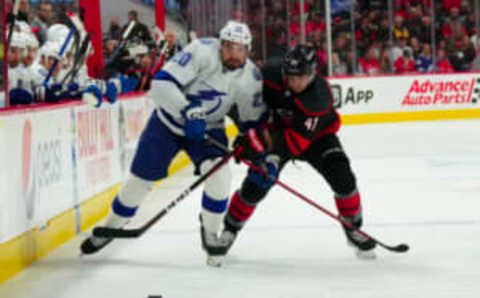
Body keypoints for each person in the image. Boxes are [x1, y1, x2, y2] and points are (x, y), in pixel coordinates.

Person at [80, 20, 266, 267]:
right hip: (167, 123)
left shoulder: (250, 77)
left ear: (248, 50)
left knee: (220, 176)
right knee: (138, 184)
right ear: (221, 44)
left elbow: (251, 120)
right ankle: (111, 227)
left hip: (209, 129)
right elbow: (160, 84)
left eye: (240, 49)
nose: (234, 53)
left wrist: (250, 142)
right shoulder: (201, 51)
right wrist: (187, 110)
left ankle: (211, 233)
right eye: (229, 46)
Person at [215, 45, 377, 265]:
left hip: (316, 138)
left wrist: (266, 155)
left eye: (302, 77)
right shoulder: (268, 75)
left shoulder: (318, 97)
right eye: (291, 77)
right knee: (257, 182)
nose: (296, 82)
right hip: (277, 131)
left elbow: (293, 142)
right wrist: (249, 136)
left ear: (313, 73)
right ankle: (230, 229)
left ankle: (353, 227)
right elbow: (242, 104)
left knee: (342, 176)